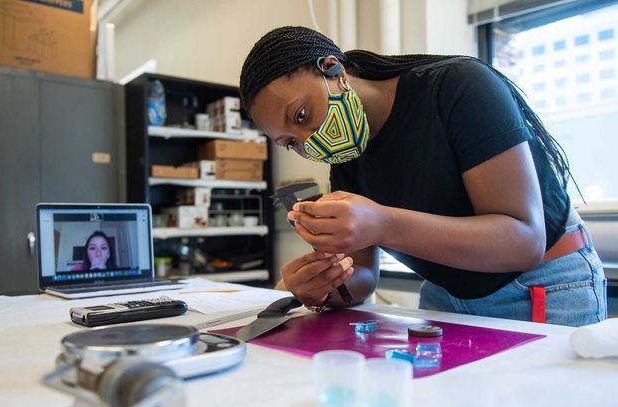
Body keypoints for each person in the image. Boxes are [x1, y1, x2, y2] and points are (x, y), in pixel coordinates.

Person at [239, 26, 607, 327]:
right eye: (290, 143)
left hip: (542, 286)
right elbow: (364, 277)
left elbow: (524, 242)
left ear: (333, 67)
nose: (310, 142)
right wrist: (326, 284)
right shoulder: (347, 157)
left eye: (301, 116)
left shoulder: (459, 87)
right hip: (445, 295)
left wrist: (383, 223)